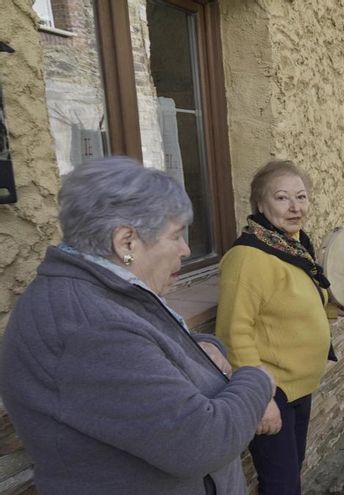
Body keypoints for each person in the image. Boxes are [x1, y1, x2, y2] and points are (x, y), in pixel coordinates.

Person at [0, 158, 275, 495]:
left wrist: (206, 348)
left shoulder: (103, 288)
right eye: (175, 236)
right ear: (126, 242)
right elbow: (201, 443)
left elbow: (153, 344)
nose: (186, 250)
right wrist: (257, 377)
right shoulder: (89, 327)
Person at [216, 160, 344, 495]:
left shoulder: (294, 247)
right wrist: (259, 398)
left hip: (300, 387)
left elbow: (305, 302)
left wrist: (336, 309)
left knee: (289, 474)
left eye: (301, 197)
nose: (295, 207)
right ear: (260, 203)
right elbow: (232, 333)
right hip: (273, 390)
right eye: (282, 198)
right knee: (282, 485)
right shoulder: (249, 258)